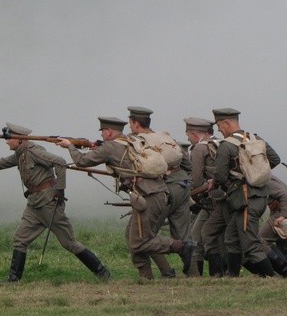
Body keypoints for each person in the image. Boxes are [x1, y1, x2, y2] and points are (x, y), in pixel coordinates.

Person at [0, 122, 110, 282]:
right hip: (34, 204)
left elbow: (61, 162)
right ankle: (13, 279)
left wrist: (60, 191)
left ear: (20, 140)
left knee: (69, 243)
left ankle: (102, 273)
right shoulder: (20, 154)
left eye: (9, 139)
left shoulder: (34, 151)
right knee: (20, 240)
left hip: (49, 203)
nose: (7, 142)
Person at [56, 116, 195, 280]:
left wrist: (69, 146)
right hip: (156, 193)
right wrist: (95, 146)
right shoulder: (131, 141)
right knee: (132, 236)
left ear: (108, 132)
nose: (102, 135)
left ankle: (180, 247)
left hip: (148, 196)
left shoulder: (110, 147)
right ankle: (147, 276)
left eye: (103, 132)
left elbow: (81, 161)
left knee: (139, 242)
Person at [208, 108, 280, 277]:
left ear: (227, 122)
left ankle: (272, 278)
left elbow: (219, 176)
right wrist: (255, 173)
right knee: (231, 238)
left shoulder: (226, 146)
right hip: (260, 195)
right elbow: (275, 159)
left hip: (245, 198)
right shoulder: (256, 139)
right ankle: (233, 276)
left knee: (251, 244)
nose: (219, 129)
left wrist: (232, 181)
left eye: (219, 125)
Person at [127, 106, 194, 277]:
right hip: (182, 188)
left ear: (135, 124)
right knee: (183, 236)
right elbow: (187, 165)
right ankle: (194, 276)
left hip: (163, 191)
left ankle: (156, 274)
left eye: (130, 123)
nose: (130, 127)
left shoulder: (137, 141)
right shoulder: (165, 138)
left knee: (140, 235)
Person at [183, 117, 224, 276]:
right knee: (216, 238)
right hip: (223, 197)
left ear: (194, 133)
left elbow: (196, 180)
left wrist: (192, 200)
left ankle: (209, 275)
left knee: (197, 236)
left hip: (211, 199)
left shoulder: (199, 148)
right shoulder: (220, 144)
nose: (187, 138)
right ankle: (221, 274)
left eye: (188, 134)